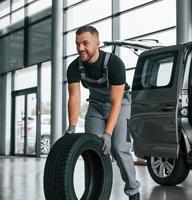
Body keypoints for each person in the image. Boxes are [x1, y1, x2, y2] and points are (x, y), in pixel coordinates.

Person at [66, 25, 140, 200]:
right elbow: (74, 98)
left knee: (119, 148)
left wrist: (108, 133)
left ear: (97, 43)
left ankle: (133, 191)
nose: (80, 48)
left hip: (120, 104)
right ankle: (95, 193)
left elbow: (116, 101)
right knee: (92, 148)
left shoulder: (114, 64)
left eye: (85, 43)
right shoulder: (74, 67)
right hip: (95, 105)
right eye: (77, 44)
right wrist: (71, 126)